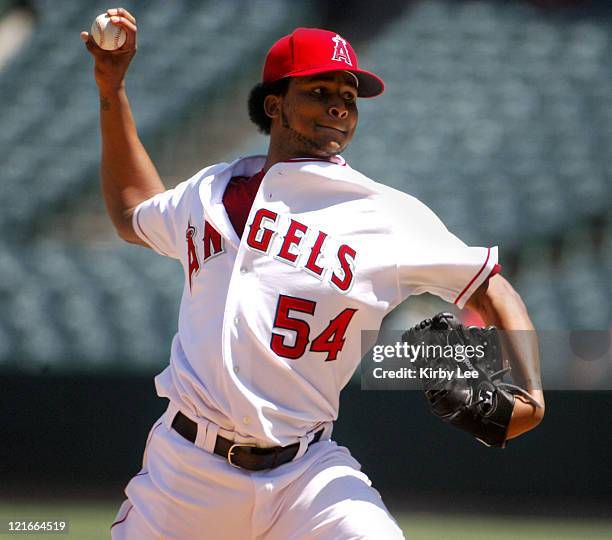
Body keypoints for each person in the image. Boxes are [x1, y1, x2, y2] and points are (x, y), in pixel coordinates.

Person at [81, 8, 544, 540]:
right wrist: (111, 88)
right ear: (275, 104)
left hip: (308, 474)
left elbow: (492, 286)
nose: (339, 108)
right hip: (186, 472)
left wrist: (534, 395)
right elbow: (131, 211)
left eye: (349, 98)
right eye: (320, 91)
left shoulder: (385, 213)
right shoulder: (209, 190)